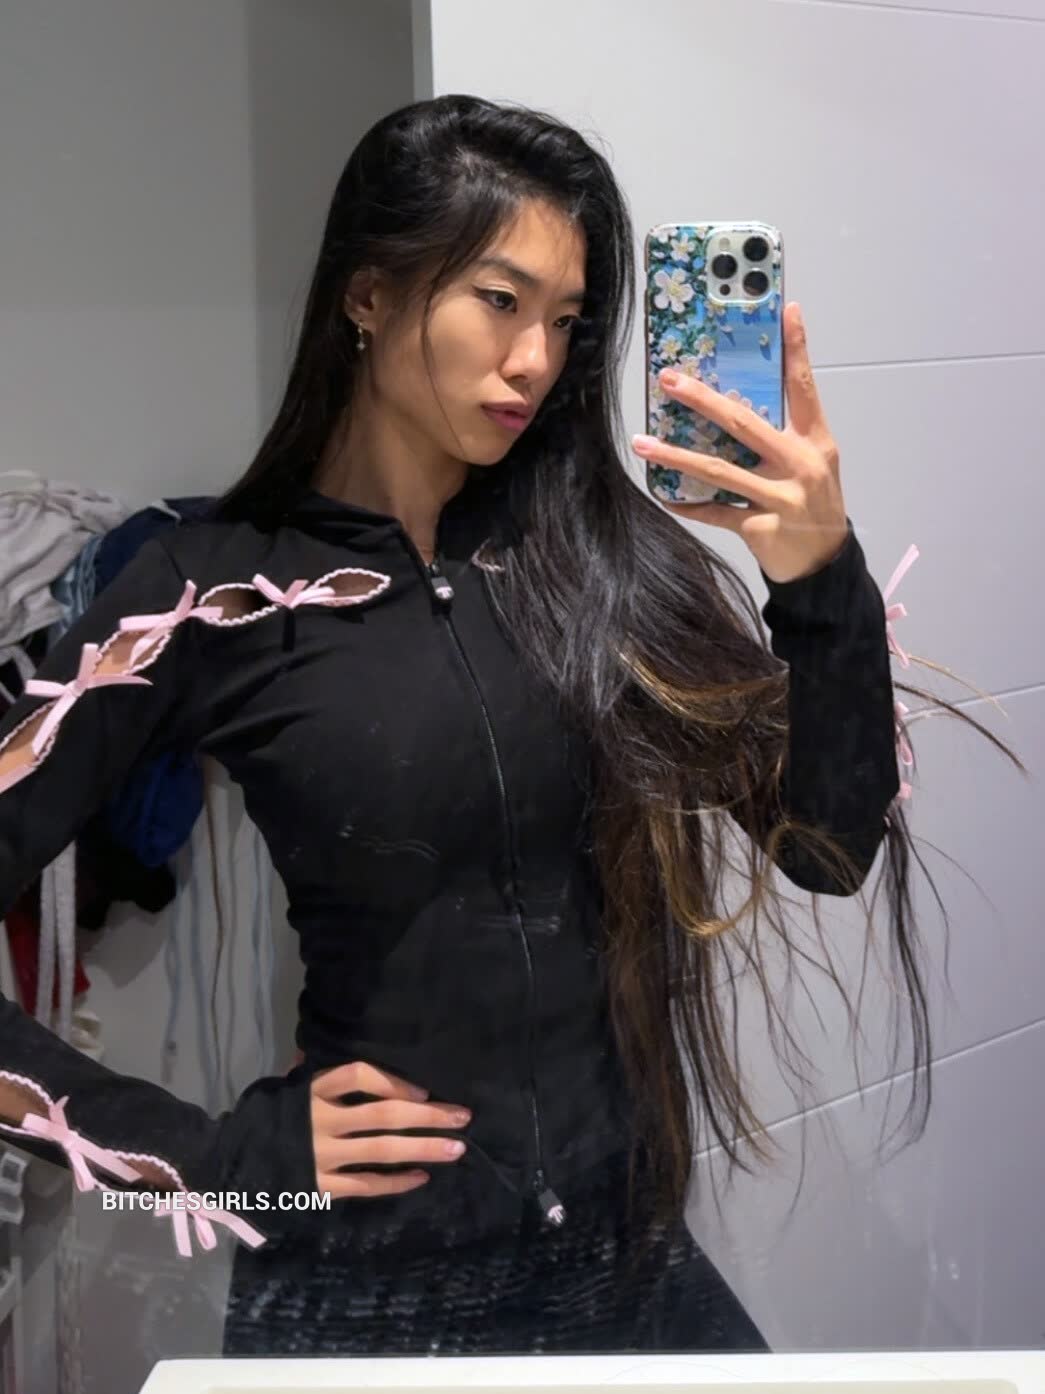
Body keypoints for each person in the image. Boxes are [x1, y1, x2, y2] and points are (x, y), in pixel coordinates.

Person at [0, 93, 1016, 1357]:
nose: (535, 360)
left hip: (625, 1262)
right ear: (367, 293)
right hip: (368, 1292)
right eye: (499, 300)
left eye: (567, 320)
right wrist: (217, 1163)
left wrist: (816, 578)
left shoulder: (593, 560)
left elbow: (829, 843)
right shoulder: (209, 593)